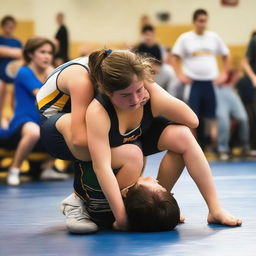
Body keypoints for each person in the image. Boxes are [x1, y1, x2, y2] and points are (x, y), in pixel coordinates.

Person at [38, 49, 241, 233]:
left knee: (183, 136)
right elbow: (98, 161)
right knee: (114, 151)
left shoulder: (141, 86)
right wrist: (122, 218)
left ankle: (202, 207)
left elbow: (192, 120)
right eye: (126, 95)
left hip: (116, 112)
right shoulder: (89, 92)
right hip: (58, 126)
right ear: (106, 92)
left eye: (139, 90)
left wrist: (151, 87)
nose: (136, 100)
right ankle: (81, 200)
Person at [171, 9, 230, 151]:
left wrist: (224, 74)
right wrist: (180, 75)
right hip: (194, 83)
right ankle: (193, 146)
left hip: (210, 83)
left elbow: (226, 55)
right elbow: (174, 57)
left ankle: (209, 145)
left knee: (210, 116)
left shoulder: (213, 37)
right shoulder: (185, 38)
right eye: (200, 21)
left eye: (205, 21)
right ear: (194, 21)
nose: (203, 24)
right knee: (193, 117)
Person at [0, 37, 55, 185]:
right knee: (33, 131)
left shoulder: (49, 74)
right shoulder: (24, 72)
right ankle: (14, 169)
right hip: (23, 122)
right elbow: (41, 95)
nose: (47, 56)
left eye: (50, 53)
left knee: (66, 127)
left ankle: (47, 167)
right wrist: (52, 76)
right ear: (31, 54)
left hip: (41, 123)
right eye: (42, 52)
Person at [216, 69, 252, 160]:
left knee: (243, 118)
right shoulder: (211, 60)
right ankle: (222, 149)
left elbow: (238, 72)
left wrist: (233, 81)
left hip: (230, 89)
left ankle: (245, 148)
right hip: (217, 89)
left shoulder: (230, 59)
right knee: (223, 120)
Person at [0, 15, 23, 126]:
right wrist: (14, 52)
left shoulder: (17, 42)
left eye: (12, 26)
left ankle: (15, 119)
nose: (10, 27)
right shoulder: (1, 39)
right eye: (8, 25)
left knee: (16, 95)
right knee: (1, 91)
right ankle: (1, 118)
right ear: (3, 26)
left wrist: (6, 51)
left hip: (14, 75)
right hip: (1, 73)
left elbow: (21, 55)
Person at [240, 32, 256, 149]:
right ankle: (251, 146)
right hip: (251, 87)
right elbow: (244, 63)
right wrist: (253, 77)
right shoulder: (255, 41)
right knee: (251, 116)